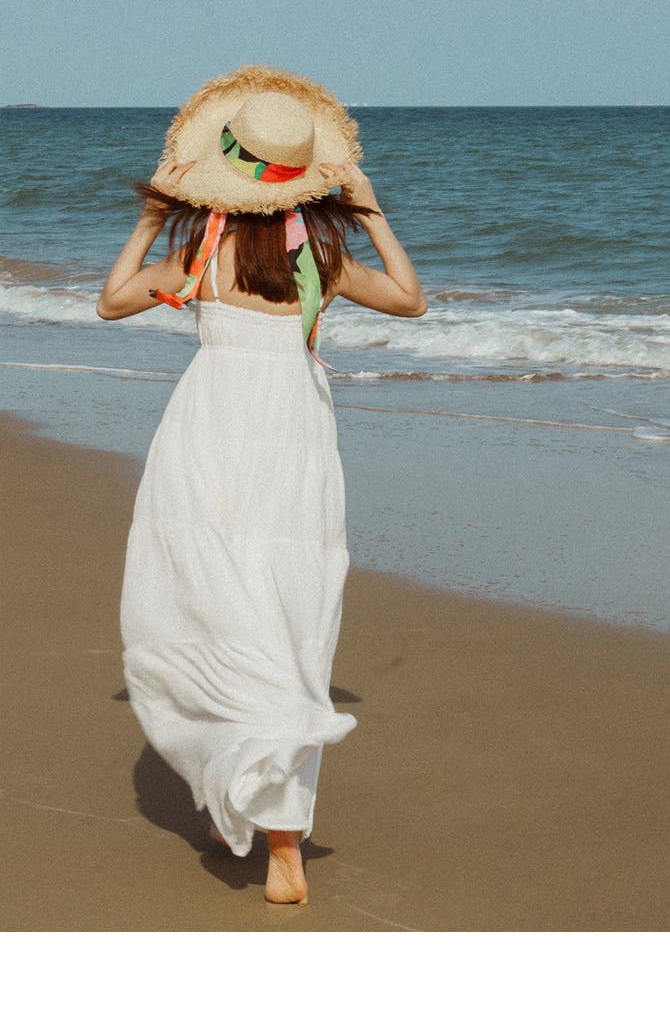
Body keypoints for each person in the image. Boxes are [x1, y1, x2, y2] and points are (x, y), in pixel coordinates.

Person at [97, 65, 426, 905]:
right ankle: (278, 836)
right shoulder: (322, 254)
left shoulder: (196, 253)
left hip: (205, 438)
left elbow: (110, 303)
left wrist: (150, 217)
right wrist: (370, 206)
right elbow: (411, 301)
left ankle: (235, 786)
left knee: (211, 611)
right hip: (294, 448)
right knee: (287, 623)